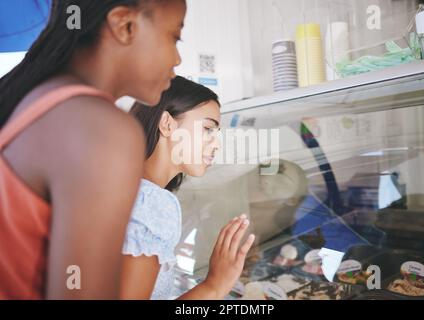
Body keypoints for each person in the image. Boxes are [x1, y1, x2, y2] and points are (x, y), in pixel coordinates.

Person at [0, 0, 186, 299]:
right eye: (174, 37)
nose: (177, 59)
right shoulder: (102, 130)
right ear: (124, 25)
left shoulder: (37, 99)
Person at [120, 76, 255, 299]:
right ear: (166, 124)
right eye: (208, 129)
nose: (217, 144)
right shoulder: (153, 203)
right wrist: (214, 284)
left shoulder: (121, 186)